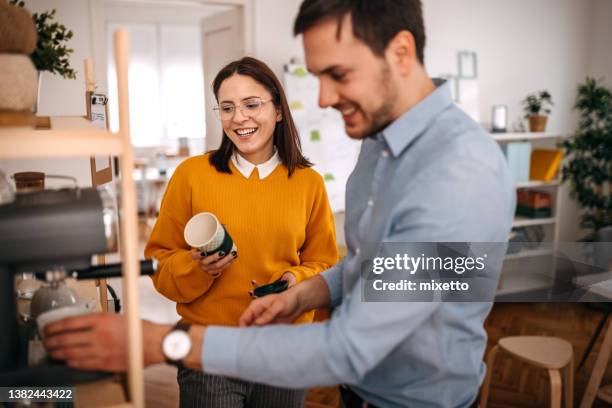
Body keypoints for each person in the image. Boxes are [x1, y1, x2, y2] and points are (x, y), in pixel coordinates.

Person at [43, 1, 515, 407]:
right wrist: (304, 293)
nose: (325, 98)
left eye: (339, 74)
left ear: (401, 52)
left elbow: (350, 346)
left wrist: (165, 342)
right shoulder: (379, 143)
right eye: (317, 77)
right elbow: (371, 266)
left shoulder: (457, 174)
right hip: (362, 392)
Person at [142, 56, 338, 407]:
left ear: (278, 110)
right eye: (227, 107)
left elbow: (325, 264)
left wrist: (295, 280)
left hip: (284, 350)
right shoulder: (191, 175)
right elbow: (158, 263)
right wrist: (196, 267)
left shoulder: (308, 183)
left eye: (252, 104)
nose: (239, 118)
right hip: (208, 350)